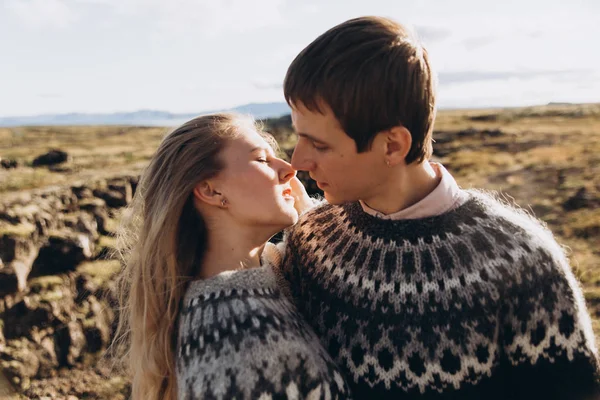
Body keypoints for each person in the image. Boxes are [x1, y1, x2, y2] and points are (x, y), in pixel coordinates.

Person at [279, 16, 600, 399]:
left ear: (392, 146)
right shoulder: (311, 240)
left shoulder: (520, 260)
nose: (298, 161)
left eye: (319, 145)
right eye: (299, 138)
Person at [112, 113, 351, 400]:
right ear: (211, 190)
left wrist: (312, 223)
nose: (289, 169)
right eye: (262, 160)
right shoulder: (235, 339)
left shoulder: (266, 278)